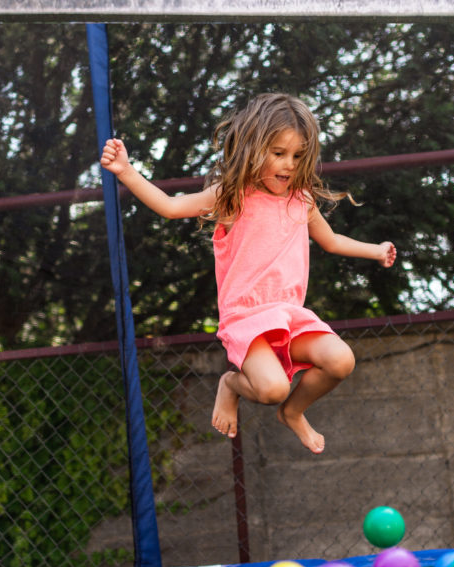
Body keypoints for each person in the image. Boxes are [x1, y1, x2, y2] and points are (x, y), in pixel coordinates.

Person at [100, 93, 396, 454]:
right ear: (254, 147)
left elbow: (331, 241)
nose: (289, 165)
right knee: (271, 389)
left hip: (290, 315)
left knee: (340, 360)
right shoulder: (233, 194)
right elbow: (172, 207)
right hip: (247, 319)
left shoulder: (300, 199)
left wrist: (376, 250)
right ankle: (232, 384)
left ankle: (293, 411)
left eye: (298, 156)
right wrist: (127, 172)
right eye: (278, 153)